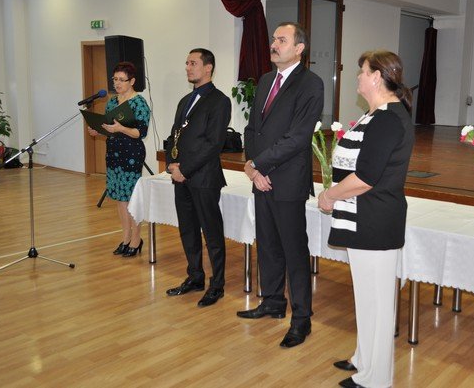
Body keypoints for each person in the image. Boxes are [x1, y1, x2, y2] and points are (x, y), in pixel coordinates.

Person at [318, 50, 415, 388]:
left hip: (375, 220)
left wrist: (330, 195)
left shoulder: (388, 118)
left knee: (378, 302)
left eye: (362, 71)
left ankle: (377, 379)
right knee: (367, 298)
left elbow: (366, 177)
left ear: (376, 77)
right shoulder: (376, 115)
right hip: (363, 218)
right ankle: (364, 359)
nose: (357, 77)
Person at [237, 22, 324, 348]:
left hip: (287, 181)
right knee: (268, 245)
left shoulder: (311, 84)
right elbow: (252, 129)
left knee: (294, 251)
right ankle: (273, 301)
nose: (274, 44)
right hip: (261, 179)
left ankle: (302, 319)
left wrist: (260, 165)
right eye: (274, 39)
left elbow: (298, 137)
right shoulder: (265, 81)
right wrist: (252, 167)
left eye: (282, 40)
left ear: (299, 48)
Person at [164, 48, 231, 308]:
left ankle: (217, 284)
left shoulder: (219, 101)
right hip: (180, 176)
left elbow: (214, 144)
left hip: (203, 178)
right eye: (187, 63)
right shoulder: (185, 100)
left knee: (211, 233)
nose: (188, 67)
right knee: (188, 230)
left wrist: (186, 169)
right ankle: (195, 277)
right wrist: (171, 164)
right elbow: (174, 136)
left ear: (208, 67)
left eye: (193, 63)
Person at [87, 61, 150, 257]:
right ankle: (126, 237)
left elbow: (140, 132)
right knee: (120, 199)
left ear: (132, 81)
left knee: (131, 199)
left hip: (131, 155)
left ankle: (136, 239)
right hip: (113, 153)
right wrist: (98, 130)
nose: (117, 83)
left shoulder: (139, 103)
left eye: (122, 80)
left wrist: (121, 128)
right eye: (115, 79)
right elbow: (110, 129)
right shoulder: (112, 102)